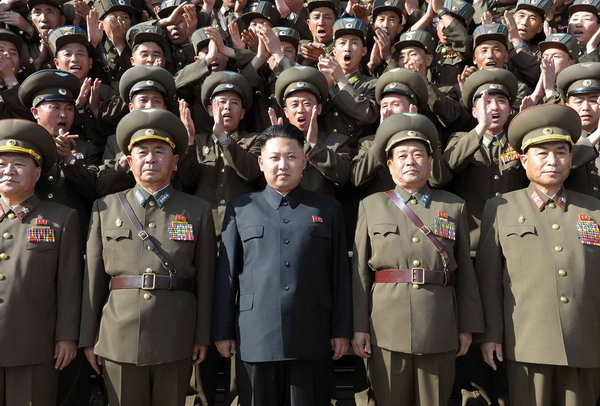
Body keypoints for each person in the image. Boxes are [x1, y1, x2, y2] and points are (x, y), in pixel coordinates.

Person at [79, 108, 217, 406]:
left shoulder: (197, 210)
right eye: (142, 152)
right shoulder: (105, 208)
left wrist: (201, 335)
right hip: (118, 337)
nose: (150, 159)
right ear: (129, 162)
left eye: (159, 151)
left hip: (176, 335)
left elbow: (206, 280)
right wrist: (88, 338)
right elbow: (93, 280)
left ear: (175, 161)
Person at [213, 124, 352, 406]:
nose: (282, 165)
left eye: (291, 157)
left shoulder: (327, 209)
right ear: (261, 162)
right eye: (274, 158)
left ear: (304, 161)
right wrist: (222, 330)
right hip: (255, 334)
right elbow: (227, 277)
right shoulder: (240, 208)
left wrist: (341, 329)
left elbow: (340, 275)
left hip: (311, 333)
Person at [352, 112, 484, 406]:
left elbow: (465, 272)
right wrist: (359, 327)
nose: (410, 161)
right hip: (385, 326)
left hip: (439, 323)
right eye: (401, 156)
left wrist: (467, 326)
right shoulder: (371, 206)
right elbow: (360, 272)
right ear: (389, 165)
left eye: (418, 154)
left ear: (431, 161)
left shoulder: (453, 206)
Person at [476, 103, 600, 405]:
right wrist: (491, 335)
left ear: (571, 158)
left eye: (560, 152)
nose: (552, 161)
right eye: (542, 153)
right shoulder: (501, 208)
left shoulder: (594, 209)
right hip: (527, 342)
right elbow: (489, 281)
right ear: (524, 160)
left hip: (585, 341)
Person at [0, 119, 82, 405]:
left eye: (19, 164)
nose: (9, 171)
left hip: (34, 346)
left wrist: (67, 336)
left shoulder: (61, 218)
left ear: (37, 173)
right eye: (2, 163)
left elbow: (69, 284)